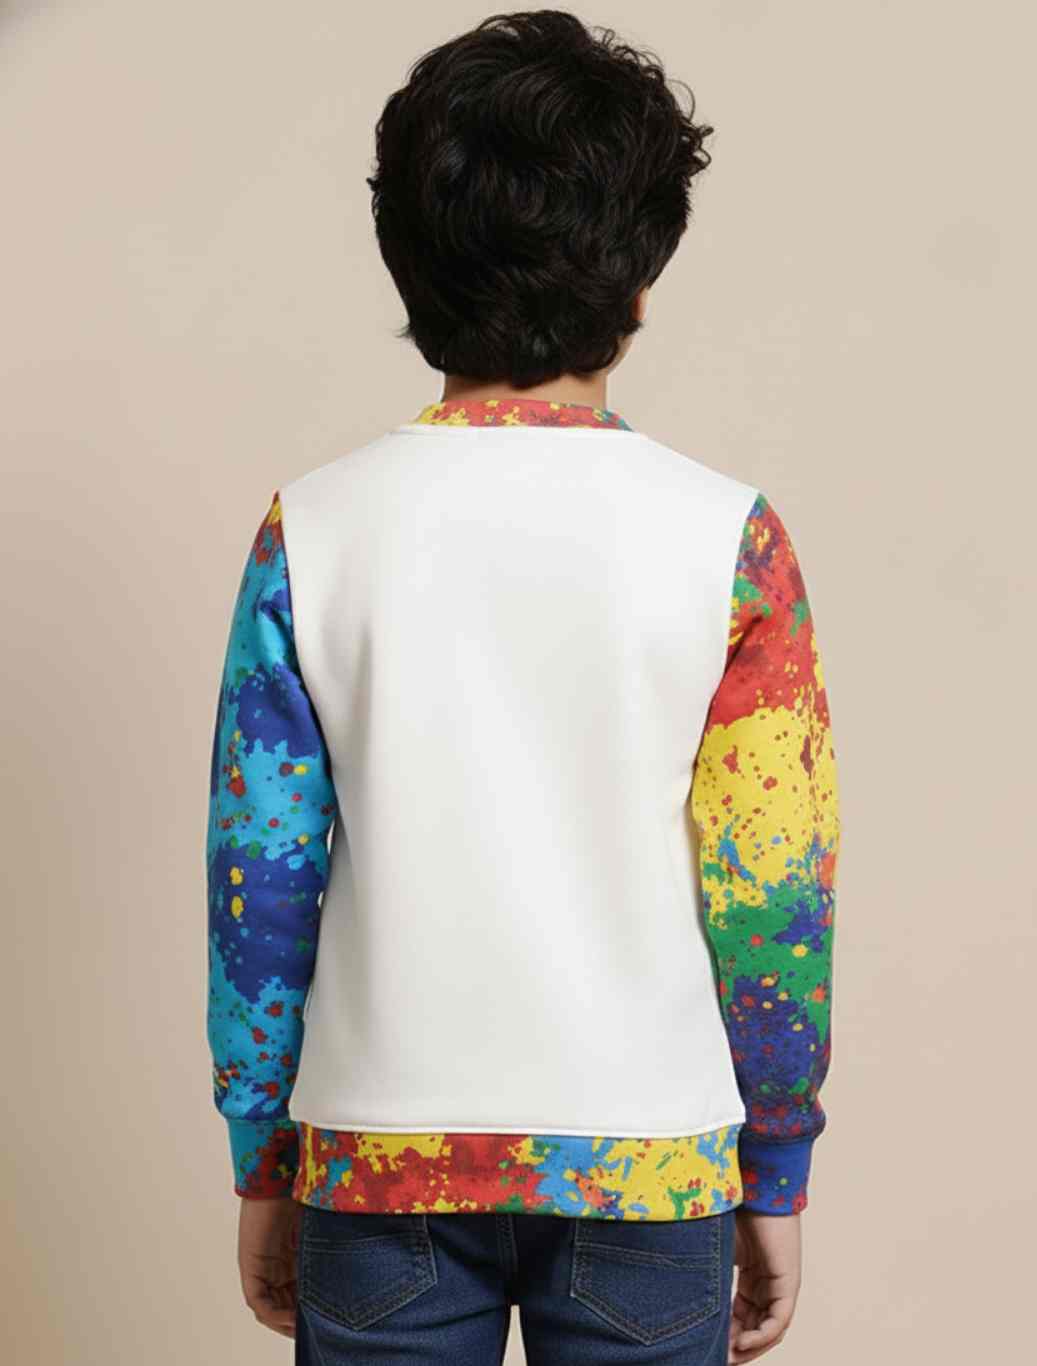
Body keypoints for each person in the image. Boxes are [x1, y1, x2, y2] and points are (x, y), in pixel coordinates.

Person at [205, 10, 841, 1363]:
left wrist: (264, 1151)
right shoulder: (730, 539)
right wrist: (775, 1164)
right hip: (650, 1161)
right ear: (642, 281)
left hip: (377, 1159)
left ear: (406, 259)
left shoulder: (311, 531)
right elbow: (775, 893)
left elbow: (261, 880)